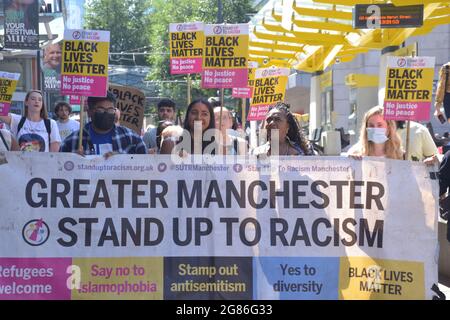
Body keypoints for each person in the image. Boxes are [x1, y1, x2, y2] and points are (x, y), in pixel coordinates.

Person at [60, 91, 147, 155]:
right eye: (100, 109)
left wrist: (122, 160)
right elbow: (58, 171)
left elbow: (146, 170)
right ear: (89, 112)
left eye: (110, 110)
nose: (106, 113)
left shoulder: (132, 139)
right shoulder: (71, 142)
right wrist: (74, 162)